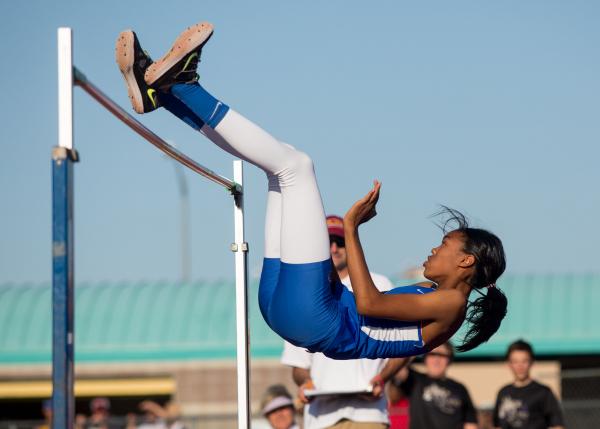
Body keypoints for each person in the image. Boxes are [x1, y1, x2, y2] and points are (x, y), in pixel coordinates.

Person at [115, 21, 508, 360]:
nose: (433, 250)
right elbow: (362, 310)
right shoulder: (436, 293)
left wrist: (351, 228)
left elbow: (369, 304)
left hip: (315, 317)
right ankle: (163, 97)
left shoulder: (452, 301)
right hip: (302, 311)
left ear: (466, 263)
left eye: (444, 246)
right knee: (278, 169)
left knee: (296, 167)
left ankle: (182, 86)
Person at [282, 214, 406, 429]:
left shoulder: (378, 283)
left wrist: (382, 378)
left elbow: (401, 343)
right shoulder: (304, 293)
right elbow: (299, 364)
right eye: (327, 242)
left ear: (349, 245)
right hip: (321, 417)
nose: (333, 248)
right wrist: (305, 382)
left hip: (369, 415)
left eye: (339, 242)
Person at [389, 342, 478, 429]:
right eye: (432, 354)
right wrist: (419, 345)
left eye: (442, 355)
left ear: (449, 360)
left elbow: (470, 423)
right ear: (425, 358)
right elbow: (396, 366)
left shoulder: (460, 388)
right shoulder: (414, 380)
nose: (436, 360)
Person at [493, 340, 564, 429]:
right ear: (509, 364)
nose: (520, 366)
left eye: (524, 361)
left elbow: (556, 425)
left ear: (531, 362)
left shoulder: (544, 392)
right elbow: (497, 425)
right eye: (515, 361)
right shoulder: (503, 392)